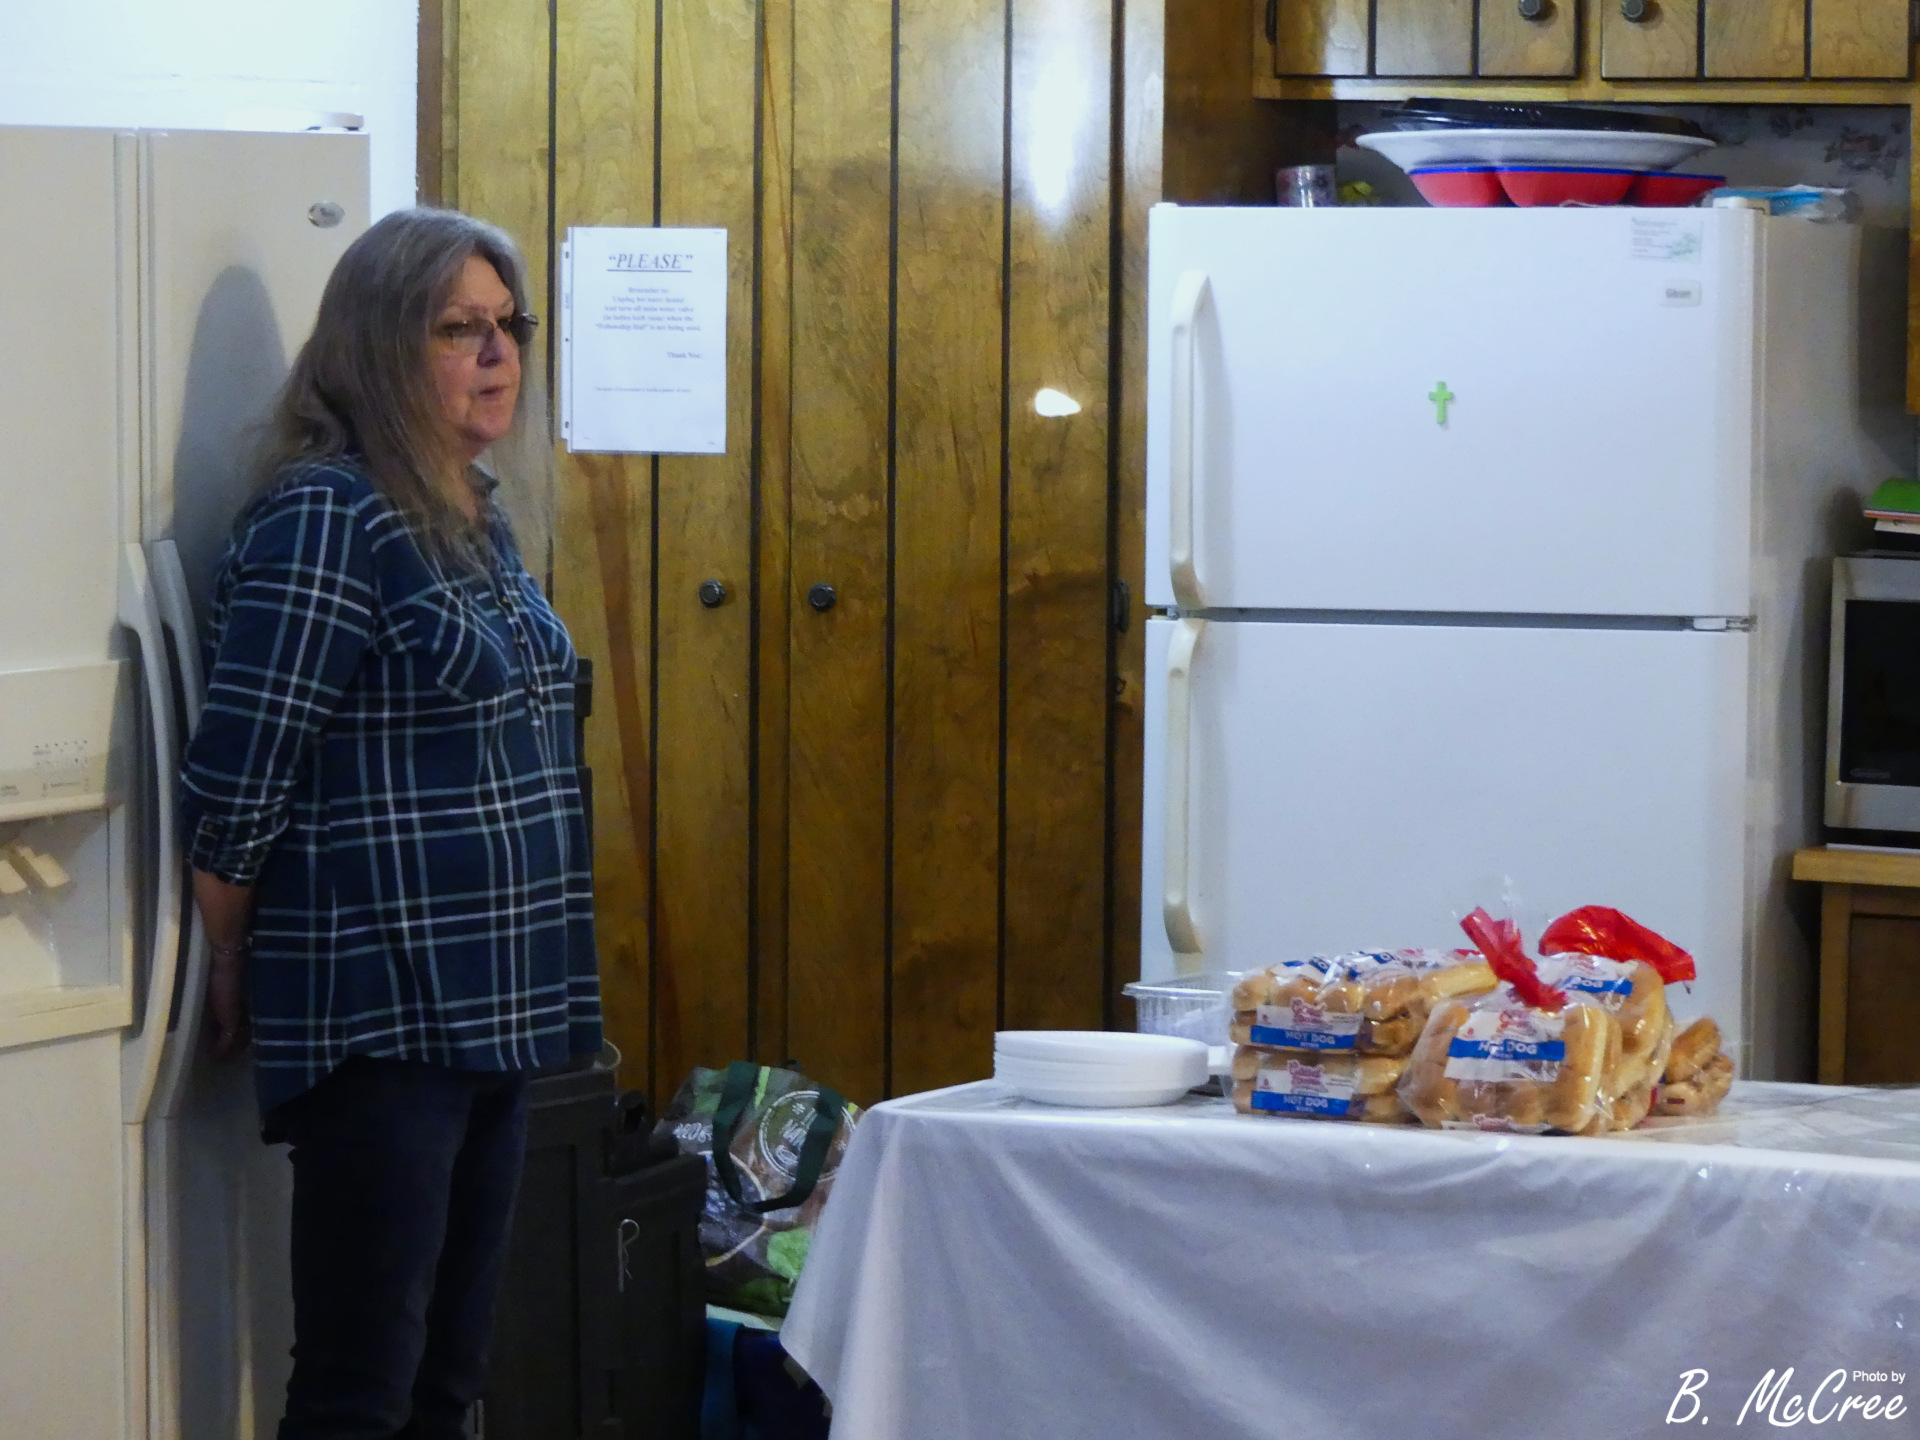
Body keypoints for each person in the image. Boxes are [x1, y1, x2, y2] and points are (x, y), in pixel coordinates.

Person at [180, 207, 602, 1440]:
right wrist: (225, 956)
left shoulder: (471, 507)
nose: (499, 354)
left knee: (447, 1384)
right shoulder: (330, 515)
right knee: (361, 1388)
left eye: (509, 325)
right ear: (378, 345)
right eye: (459, 329)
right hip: (384, 1014)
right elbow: (241, 773)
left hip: (500, 1005)